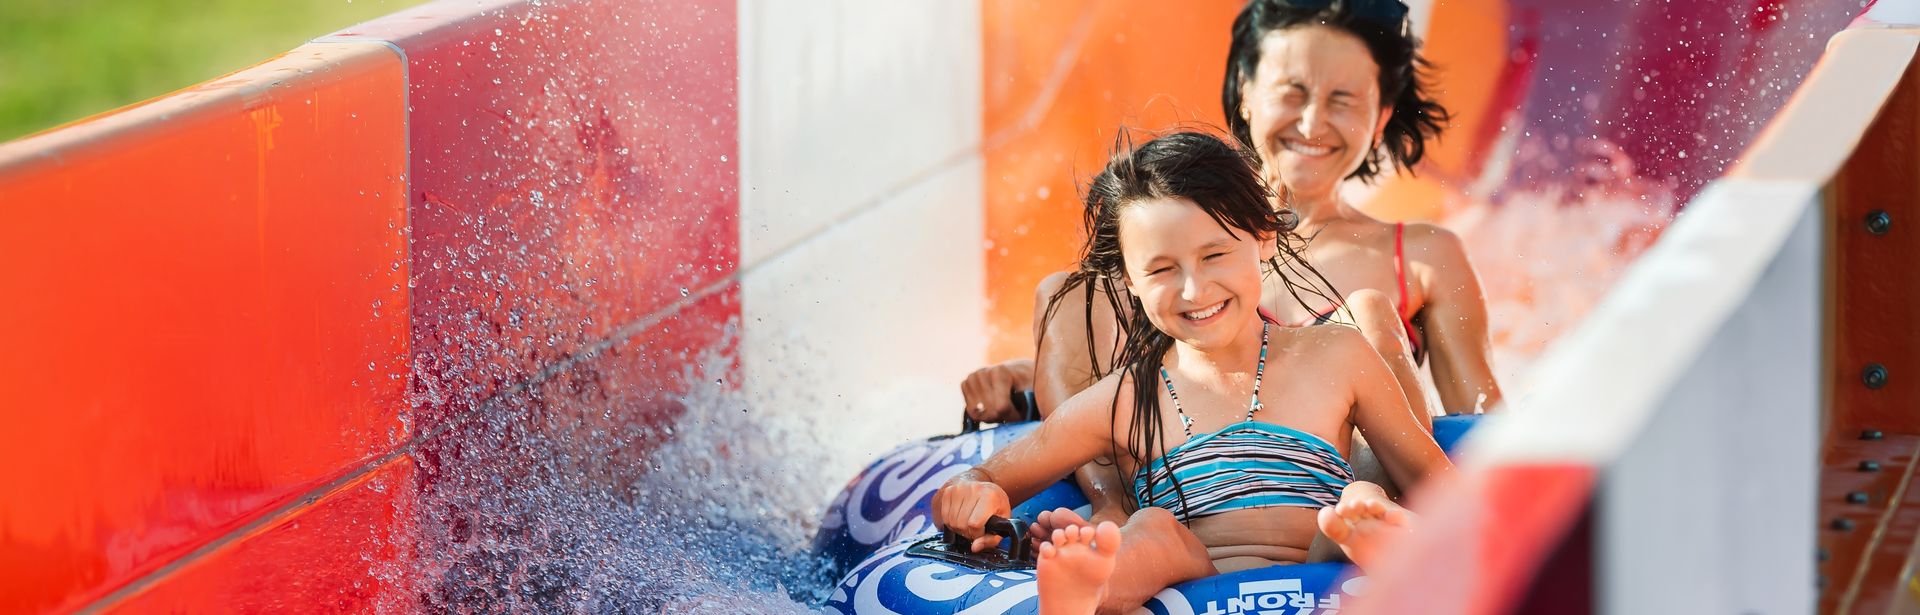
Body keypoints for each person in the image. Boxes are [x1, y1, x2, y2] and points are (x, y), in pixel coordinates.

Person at [933, 132, 1450, 615]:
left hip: (1326, 560)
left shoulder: (1338, 355)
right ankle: (1092, 586)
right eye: (1161, 269)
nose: (1193, 290)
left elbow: (1439, 485)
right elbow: (986, 477)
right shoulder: (1123, 399)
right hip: (1194, 578)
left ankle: (1390, 544)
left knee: (1361, 502)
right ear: (1129, 279)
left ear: (1264, 237)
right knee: (1154, 529)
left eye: (1214, 255)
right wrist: (972, 493)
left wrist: (1396, 513)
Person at [961, 0, 1503, 427]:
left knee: (1365, 319)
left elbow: (1480, 427)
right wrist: (1028, 383)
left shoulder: (1424, 258)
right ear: (1246, 91)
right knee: (1070, 289)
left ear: (1381, 115)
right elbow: (1123, 366)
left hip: (1347, 496)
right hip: (1175, 498)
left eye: (1344, 100)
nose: (1312, 124)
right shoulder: (1169, 229)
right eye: (1292, 93)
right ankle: (1108, 511)